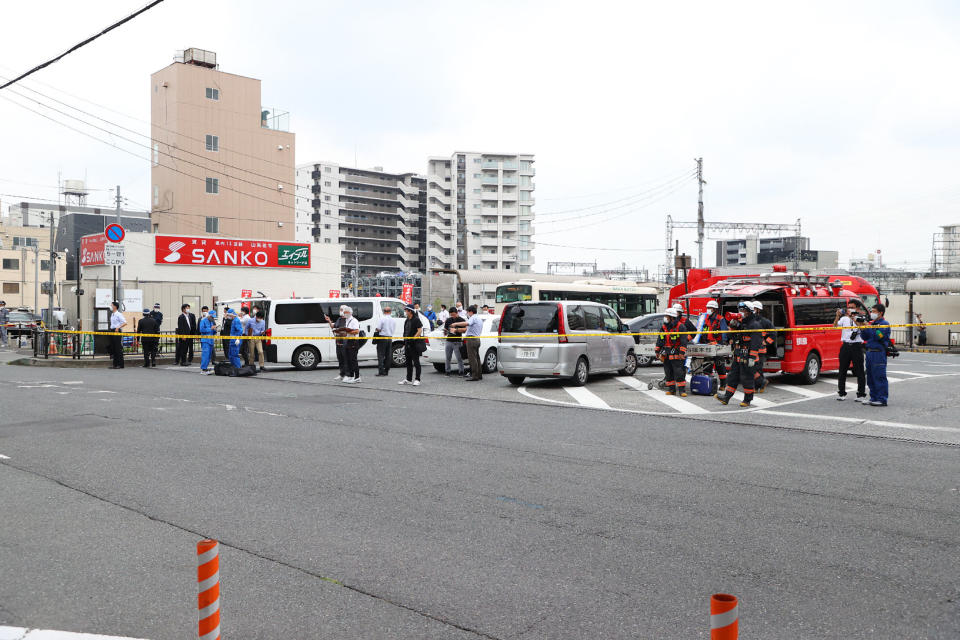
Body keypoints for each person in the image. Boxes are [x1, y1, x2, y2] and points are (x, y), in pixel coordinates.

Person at [717, 301, 762, 407]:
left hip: (748, 356)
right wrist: (732, 327)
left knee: (747, 379)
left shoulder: (754, 325)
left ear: (749, 312)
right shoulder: (740, 324)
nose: (741, 312)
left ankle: (747, 400)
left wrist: (752, 357)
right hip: (738, 355)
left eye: (743, 310)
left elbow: (756, 342)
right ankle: (726, 397)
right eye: (740, 310)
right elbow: (733, 338)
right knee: (732, 377)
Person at [859, 303, 891, 406]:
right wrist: (863, 328)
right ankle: (873, 397)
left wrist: (869, 327)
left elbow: (879, 336)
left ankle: (882, 399)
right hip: (869, 352)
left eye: (874, 311)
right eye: (871, 311)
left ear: (880, 313)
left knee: (879, 376)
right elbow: (865, 337)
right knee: (871, 377)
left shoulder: (884, 324)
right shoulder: (872, 324)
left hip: (878, 353)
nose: (872, 313)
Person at [834, 301, 866, 402]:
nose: (849, 309)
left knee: (859, 371)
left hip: (857, 346)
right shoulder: (844, 318)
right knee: (842, 370)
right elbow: (835, 326)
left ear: (857, 309)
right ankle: (842, 393)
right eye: (849, 307)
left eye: (852, 307)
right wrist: (837, 316)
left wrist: (854, 318)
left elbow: (862, 327)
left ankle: (861, 394)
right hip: (846, 346)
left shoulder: (861, 318)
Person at [655, 308, 688, 396]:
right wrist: (657, 350)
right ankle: (672, 390)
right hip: (666, 353)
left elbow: (684, 341)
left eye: (666, 316)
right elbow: (660, 339)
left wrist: (682, 353)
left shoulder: (680, 327)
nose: (665, 318)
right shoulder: (664, 327)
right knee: (668, 372)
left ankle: (682, 390)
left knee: (679, 372)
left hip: (676, 352)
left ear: (672, 317)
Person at [700, 300, 728, 394]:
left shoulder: (720, 319)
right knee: (707, 364)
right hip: (708, 344)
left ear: (715, 309)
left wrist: (722, 344)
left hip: (718, 345)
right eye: (707, 308)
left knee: (720, 365)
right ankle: (709, 383)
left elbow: (724, 332)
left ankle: (723, 385)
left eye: (710, 308)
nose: (708, 310)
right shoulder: (706, 319)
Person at [752, 301, 775, 393]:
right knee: (753, 368)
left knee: (757, 369)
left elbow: (773, 334)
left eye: (753, 308)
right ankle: (760, 384)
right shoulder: (750, 320)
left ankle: (758, 385)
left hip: (760, 351)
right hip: (752, 349)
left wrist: (766, 342)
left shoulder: (765, 322)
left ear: (758, 310)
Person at [399, 304, 423, 385]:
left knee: (416, 362)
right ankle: (408, 379)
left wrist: (413, 338)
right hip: (407, 343)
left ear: (410, 311)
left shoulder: (416, 319)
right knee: (408, 362)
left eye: (406, 310)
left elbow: (419, 330)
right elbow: (405, 332)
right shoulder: (406, 320)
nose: (405, 312)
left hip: (414, 344)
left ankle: (417, 379)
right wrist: (404, 343)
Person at [326, 305, 349, 381]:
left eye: (341, 309)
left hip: (345, 342)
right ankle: (341, 374)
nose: (340, 311)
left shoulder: (348, 319)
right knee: (340, 359)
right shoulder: (339, 319)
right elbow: (333, 326)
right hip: (338, 342)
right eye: (340, 309)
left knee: (346, 359)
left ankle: (347, 374)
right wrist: (329, 321)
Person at [340, 305, 361, 383]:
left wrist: (347, 331)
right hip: (348, 341)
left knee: (353, 360)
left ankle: (357, 377)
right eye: (344, 312)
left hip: (353, 341)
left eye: (346, 312)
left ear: (350, 313)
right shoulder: (347, 320)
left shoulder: (354, 320)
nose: (344, 314)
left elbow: (357, 331)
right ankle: (351, 376)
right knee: (348, 360)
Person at [442, 306, 466, 376]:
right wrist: (445, 332)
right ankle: (447, 371)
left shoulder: (461, 320)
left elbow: (465, 330)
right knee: (448, 357)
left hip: (457, 341)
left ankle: (461, 371)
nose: (452, 316)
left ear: (457, 313)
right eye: (451, 315)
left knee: (459, 358)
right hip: (449, 340)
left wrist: (456, 330)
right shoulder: (448, 320)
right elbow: (446, 329)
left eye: (453, 315)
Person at [463, 304, 484, 381]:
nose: (467, 314)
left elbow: (467, 324)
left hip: (471, 339)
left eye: (468, 312)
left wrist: (456, 324)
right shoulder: (479, 319)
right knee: (477, 357)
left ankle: (475, 375)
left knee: (472, 358)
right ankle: (479, 375)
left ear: (471, 312)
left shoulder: (473, 318)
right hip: (477, 339)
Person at [374, 304, 394, 376]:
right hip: (390, 338)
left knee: (381, 355)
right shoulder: (393, 319)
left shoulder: (382, 318)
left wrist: (376, 329)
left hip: (382, 337)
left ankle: (381, 371)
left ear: (384, 311)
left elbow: (378, 328)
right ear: (390, 312)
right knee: (388, 355)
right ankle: (387, 371)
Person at [199, 308, 217, 375]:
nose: (213, 318)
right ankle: (203, 369)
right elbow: (201, 329)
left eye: (214, 317)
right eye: (212, 317)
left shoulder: (212, 322)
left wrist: (215, 330)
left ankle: (205, 368)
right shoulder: (203, 321)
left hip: (210, 340)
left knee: (209, 355)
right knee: (205, 355)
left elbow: (213, 332)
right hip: (205, 340)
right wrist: (210, 328)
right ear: (209, 315)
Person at [108, 301, 126, 369]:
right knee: (113, 348)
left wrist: (118, 327)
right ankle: (115, 364)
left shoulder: (118, 314)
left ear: (115, 306)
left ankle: (120, 364)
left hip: (117, 331)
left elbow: (124, 322)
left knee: (118, 348)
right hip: (112, 331)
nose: (111, 306)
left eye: (111, 305)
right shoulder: (112, 314)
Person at [248, 308, 266, 372]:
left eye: (261, 318)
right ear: (256, 316)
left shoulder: (263, 322)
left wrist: (262, 332)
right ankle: (251, 365)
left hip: (258, 338)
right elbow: (247, 328)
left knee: (260, 351)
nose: (259, 319)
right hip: (252, 338)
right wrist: (247, 336)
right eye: (259, 318)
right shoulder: (251, 320)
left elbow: (263, 330)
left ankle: (262, 365)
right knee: (252, 353)